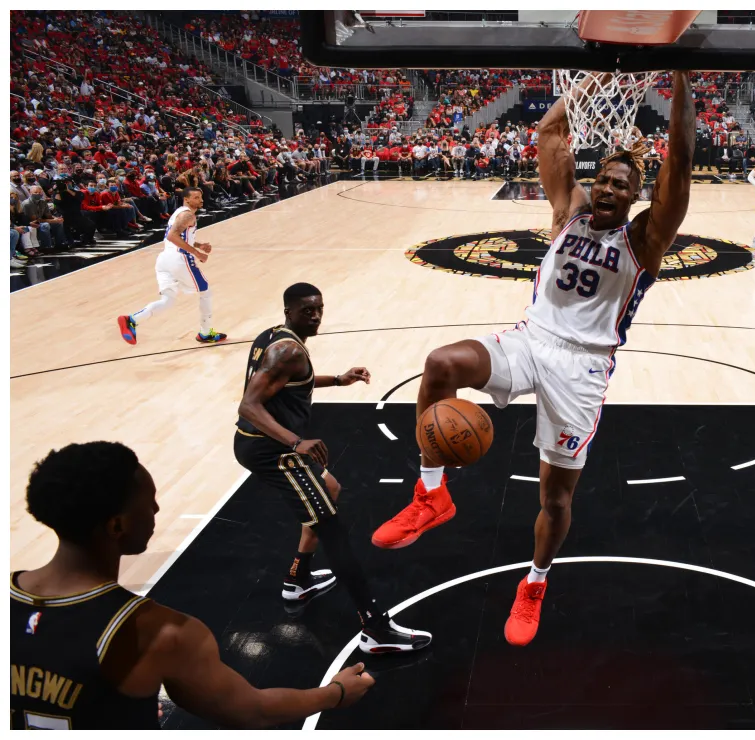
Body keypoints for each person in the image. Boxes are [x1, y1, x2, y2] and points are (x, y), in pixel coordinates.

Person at [371, 70, 696, 646]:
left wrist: (680, 80)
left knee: (554, 495)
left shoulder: (645, 241)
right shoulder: (567, 209)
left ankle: (535, 582)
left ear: (635, 198)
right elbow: (549, 132)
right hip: (529, 339)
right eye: (603, 179)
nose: (607, 189)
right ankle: (431, 494)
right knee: (441, 363)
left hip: (583, 368)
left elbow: (682, 167)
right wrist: (584, 82)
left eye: (621, 185)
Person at [12, 442, 375, 729]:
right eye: (148, 503)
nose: (156, 509)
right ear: (116, 526)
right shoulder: (159, 632)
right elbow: (251, 711)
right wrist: (335, 693)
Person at [235, 283, 432, 652]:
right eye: (307, 310)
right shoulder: (288, 349)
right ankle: (375, 629)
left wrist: (339, 379)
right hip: (275, 452)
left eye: (319, 308)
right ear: (288, 310)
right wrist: (295, 442)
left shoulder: (277, 339)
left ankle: (299, 580)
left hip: (266, 445)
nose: (315, 315)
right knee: (334, 533)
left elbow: (289, 383)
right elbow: (248, 405)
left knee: (331, 489)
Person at [117, 188, 226, 346]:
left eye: (201, 197)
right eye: (196, 197)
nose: (200, 200)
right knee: (206, 292)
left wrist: (199, 244)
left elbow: (177, 236)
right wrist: (197, 253)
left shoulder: (178, 213)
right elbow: (172, 236)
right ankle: (205, 333)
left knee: (167, 301)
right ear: (187, 200)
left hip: (164, 259)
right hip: (179, 259)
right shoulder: (188, 214)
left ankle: (131, 320)